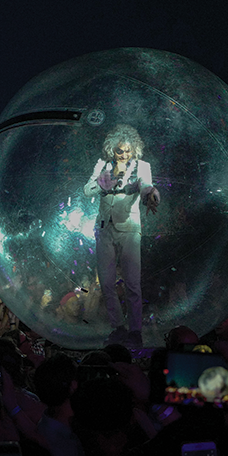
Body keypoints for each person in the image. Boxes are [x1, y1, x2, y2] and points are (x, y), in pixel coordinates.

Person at [83, 124, 159, 348]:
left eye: (127, 150)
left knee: (132, 283)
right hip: (104, 229)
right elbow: (87, 190)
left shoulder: (142, 166)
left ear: (134, 149)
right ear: (112, 150)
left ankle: (135, 330)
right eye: (120, 150)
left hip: (129, 229)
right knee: (106, 283)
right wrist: (102, 183)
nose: (124, 154)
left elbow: (146, 186)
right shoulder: (102, 165)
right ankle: (118, 327)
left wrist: (152, 195)